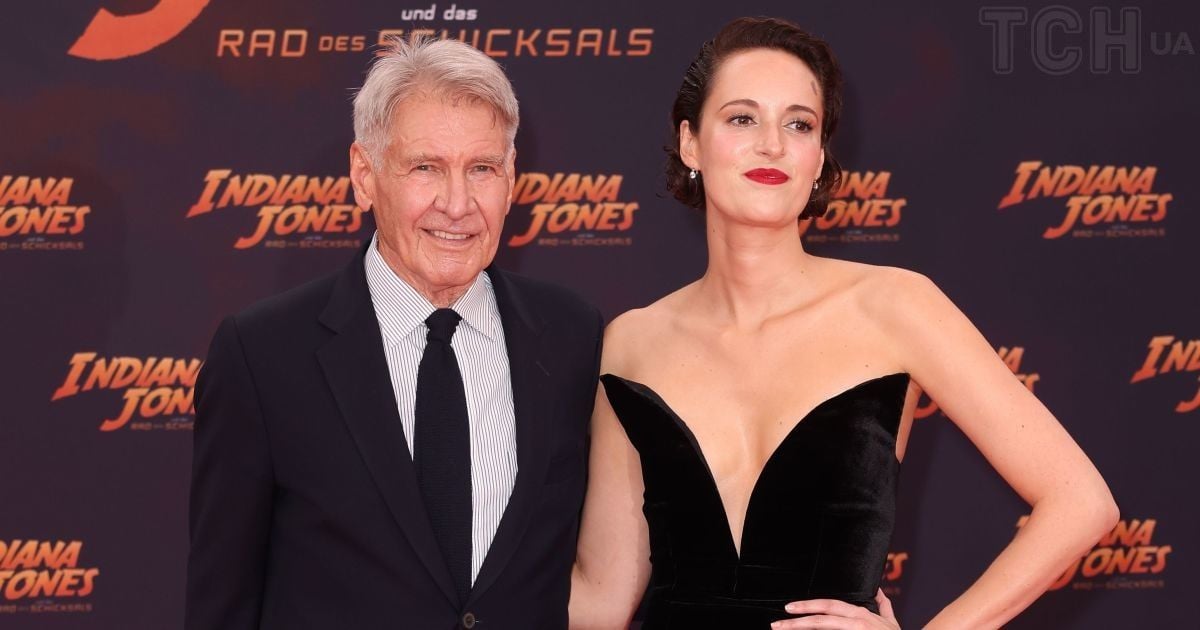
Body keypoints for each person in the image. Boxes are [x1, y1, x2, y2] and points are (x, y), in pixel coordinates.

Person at [569, 17, 1117, 629]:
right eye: (742, 118)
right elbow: (602, 600)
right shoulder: (632, 342)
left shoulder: (895, 307)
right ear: (691, 143)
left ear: (819, 158)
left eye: (799, 124)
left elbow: (1080, 501)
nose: (772, 145)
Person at [186, 36, 602, 630]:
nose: (457, 204)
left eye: (482, 169)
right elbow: (222, 603)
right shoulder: (262, 356)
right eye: (426, 167)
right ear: (365, 175)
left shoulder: (572, 335)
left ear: (511, 177)